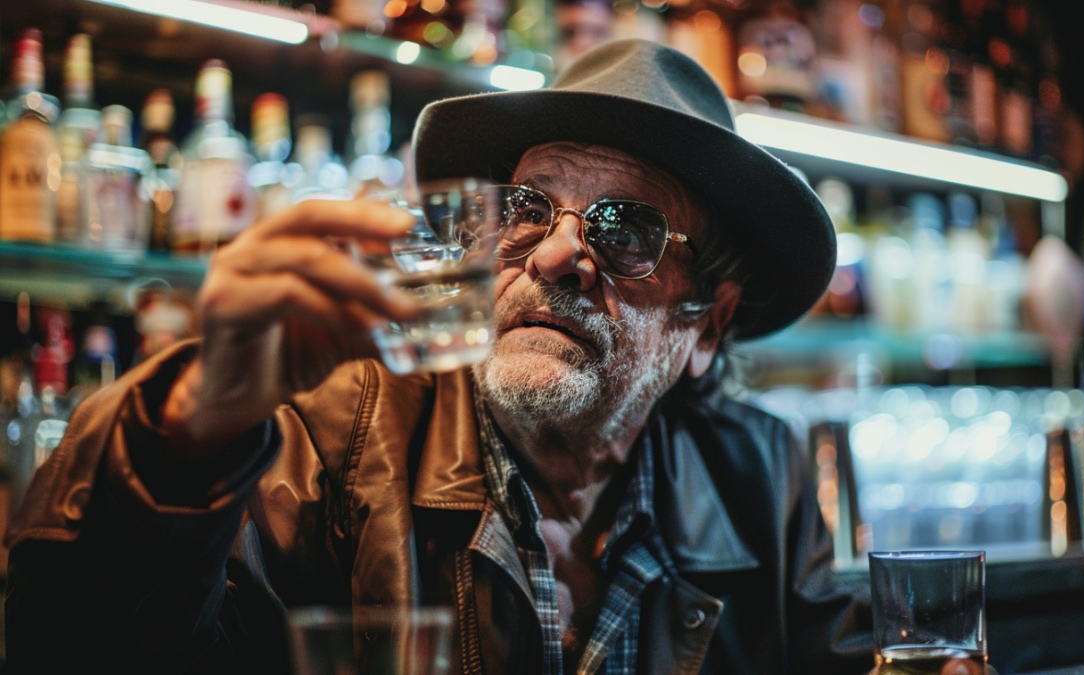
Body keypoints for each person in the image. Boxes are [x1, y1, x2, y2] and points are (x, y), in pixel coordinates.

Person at [4, 39, 871, 674]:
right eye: (528, 208)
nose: (553, 255)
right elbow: (75, 649)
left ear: (708, 325)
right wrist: (184, 429)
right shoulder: (321, 440)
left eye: (625, 227)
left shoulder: (761, 475)